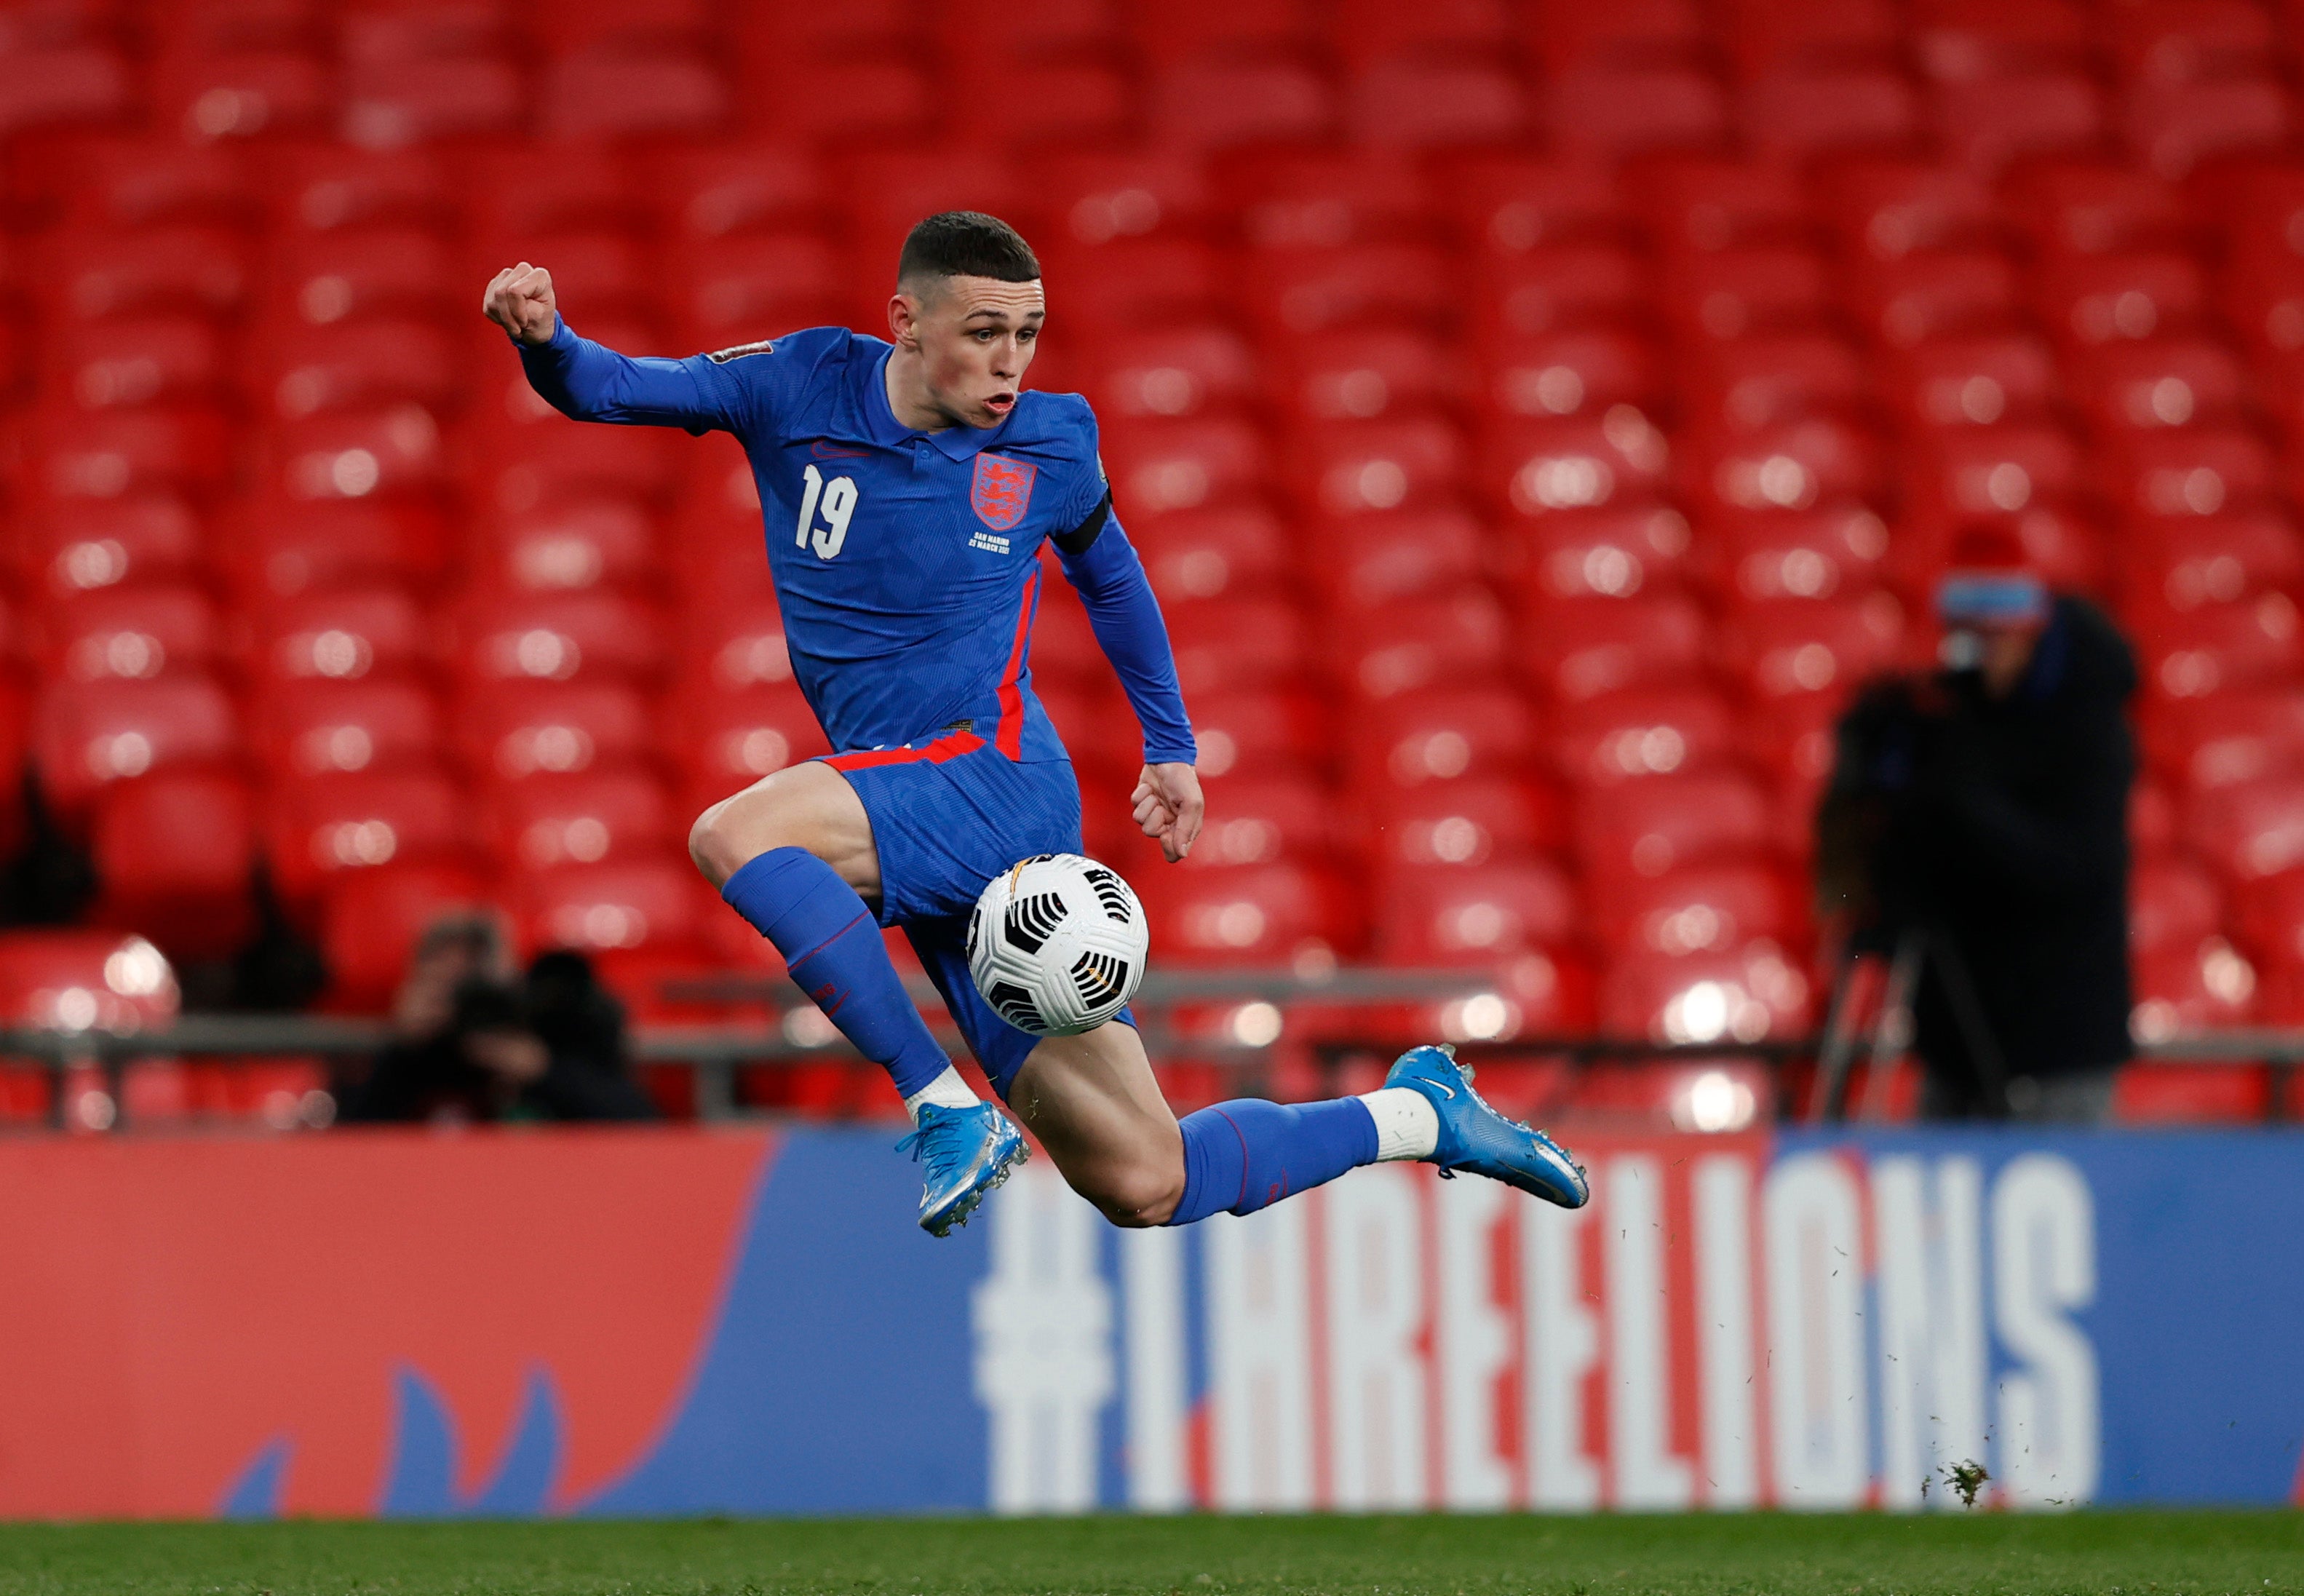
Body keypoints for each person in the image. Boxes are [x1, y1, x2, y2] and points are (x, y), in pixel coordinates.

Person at [482, 211, 1588, 1234]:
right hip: (905, 786)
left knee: (735, 834)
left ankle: (940, 1108)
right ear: (904, 323)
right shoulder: (800, 382)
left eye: (1028, 332)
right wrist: (545, 338)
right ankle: (1419, 1115)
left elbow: (1113, 581)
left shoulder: (1052, 443)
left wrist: (1171, 747)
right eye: (984, 332)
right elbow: (610, 386)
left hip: (994, 776)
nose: (1011, 361)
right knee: (1146, 1179)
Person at [1818, 526, 2137, 1123]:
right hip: (1954, 1040)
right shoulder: (1948, 719)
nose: (1980, 651)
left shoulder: (2088, 728)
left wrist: (1966, 806)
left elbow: (2076, 869)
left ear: (2029, 626)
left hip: (2057, 1042)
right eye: (1966, 635)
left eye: (1994, 634)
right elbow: (1874, 858)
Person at [338, 916, 657, 1124]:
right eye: (446, 987)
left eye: (474, 985)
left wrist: (543, 1071)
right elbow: (350, 1141)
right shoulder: (415, 1055)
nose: (466, 1003)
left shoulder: (557, 1033)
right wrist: (401, 1050)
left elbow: (640, 1123)